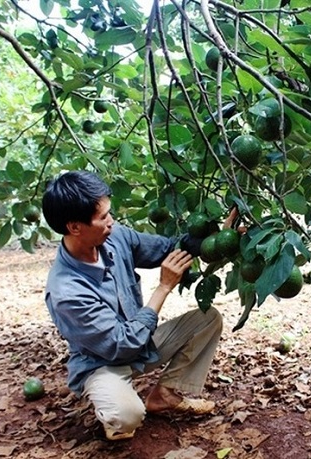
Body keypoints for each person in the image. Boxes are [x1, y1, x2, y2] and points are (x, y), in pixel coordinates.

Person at [42, 170, 233, 441]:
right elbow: (121, 344)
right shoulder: (67, 292)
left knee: (207, 319)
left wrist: (218, 239)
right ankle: (112, 400)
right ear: (75, 227)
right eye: (103, 217)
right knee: (127, 416)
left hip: (139, 342)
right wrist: (164, 287)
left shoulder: (115, 238)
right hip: (103, 362)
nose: (112, 221)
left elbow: (170, 247)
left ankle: (165, 394)